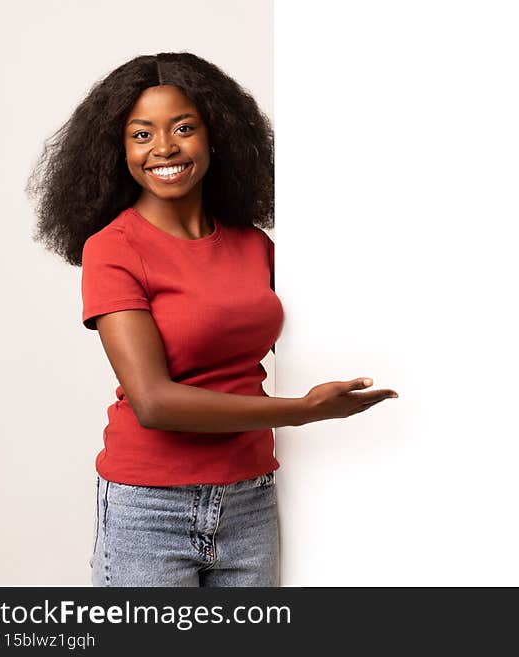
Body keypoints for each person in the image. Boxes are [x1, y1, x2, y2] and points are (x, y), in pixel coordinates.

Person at [25, 52, 398, 587]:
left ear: (214, 134)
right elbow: (153, 402)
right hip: (149, 511)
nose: (164, 149)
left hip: (250, 500)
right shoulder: (113, 250)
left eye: (183, 128)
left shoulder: (254, 245)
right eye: (141, 134)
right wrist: (304, 411)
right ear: (118, 149)